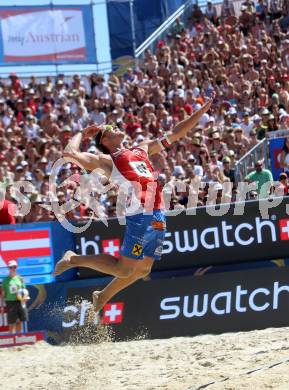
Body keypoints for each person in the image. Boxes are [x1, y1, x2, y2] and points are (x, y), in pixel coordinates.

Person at [54, 98, 213, 314]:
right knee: (124, 268)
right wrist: (82, 132)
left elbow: (176, 133)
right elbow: (69, 154)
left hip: (157, 214)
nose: (116, 126)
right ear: (105, 139)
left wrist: (200, 112)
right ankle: (73, 259)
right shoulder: (106, 160)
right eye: (110, 128)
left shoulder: (142, 149)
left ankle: (102, 296)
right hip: (139, 216)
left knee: (143, 269)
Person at [2, 260, 29, 333]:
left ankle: (18, 337)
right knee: (11, 322)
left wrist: (26, 297)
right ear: (8, 268)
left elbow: (24, 290)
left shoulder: (20, 279)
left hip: (20, 301)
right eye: (11, 267)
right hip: (10, 302)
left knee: (19, 322)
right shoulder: (5, 280)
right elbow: (3, 294)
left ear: (16, 267)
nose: (13, 268)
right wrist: (2, 306)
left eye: (14, 267)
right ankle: (11, 338)